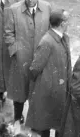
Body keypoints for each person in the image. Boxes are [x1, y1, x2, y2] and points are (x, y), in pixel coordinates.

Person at [4, 0, 52, 125]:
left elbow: (50, 30)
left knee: (38, 91)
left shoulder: (47, 7)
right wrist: (15, 52)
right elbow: (8, 33)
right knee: (19, 92)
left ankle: (35, 118)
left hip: (40, 58)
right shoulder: (13, 9)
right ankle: (18, 117)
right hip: (21, 59)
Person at [26, 9, 72, 137]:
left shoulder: (64, 38)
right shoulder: (47, 41)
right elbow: (35, 68)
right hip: (47, 91)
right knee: (44, 125)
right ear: (62, 23)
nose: (69, 24)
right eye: (67, 21)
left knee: (57, 123)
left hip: (59, 90)